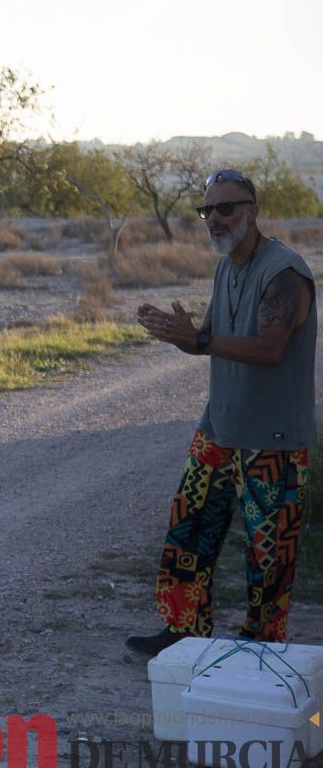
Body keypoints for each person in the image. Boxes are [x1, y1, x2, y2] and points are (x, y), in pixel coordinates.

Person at [127, 170, 316, 656]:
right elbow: (210, 340)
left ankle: (262, 650)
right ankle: (184, 630)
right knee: (189, 528)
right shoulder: (225, 265)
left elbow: (270, 348)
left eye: (225, 209)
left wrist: (201, 339)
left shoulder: (284, 272)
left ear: (251, 211)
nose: (214, 219)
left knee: (267, 554)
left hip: (271, 439)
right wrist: (180, 335)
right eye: (206, 210)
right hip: (219, 427)